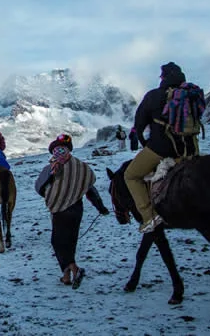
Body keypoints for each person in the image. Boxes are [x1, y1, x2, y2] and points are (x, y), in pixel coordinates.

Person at [124, 62, 196, 233]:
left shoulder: (154, 96)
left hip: (161, 149)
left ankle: (150, 216)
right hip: (190, 150)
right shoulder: (191, 95)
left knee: (131, 175)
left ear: (163, 77)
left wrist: (144, 144)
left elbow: (139, 125)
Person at [34, 133, 108, 290]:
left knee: (57, 241)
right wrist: (100, 207)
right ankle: (66, 276)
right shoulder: (80, 167)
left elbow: (39, 187)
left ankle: (74, 269)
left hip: (60, 210)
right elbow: (89, 188)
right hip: (76, 208)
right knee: (70, 242)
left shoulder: (52, 168)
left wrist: (53, 195)